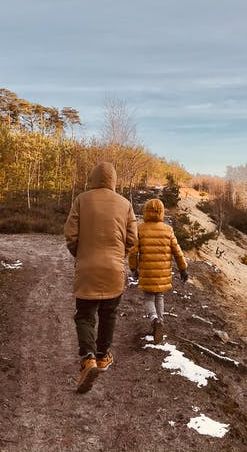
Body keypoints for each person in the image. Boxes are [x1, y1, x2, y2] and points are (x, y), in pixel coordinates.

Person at [64, 162, 137, 393]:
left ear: (93, 178)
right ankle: (103, 356)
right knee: (109, 314)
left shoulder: (81, 200)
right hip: (115, 270)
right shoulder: (125, 204)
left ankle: (88, 359)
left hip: (87, 268)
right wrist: (119, 256)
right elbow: (132, 239)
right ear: (114, 180)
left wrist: (81, 254)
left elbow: (71, 235)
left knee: (85, 315)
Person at [128, 198, 188, 344]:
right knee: (159, 296)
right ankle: (159, 322)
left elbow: (133, 252)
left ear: (145, 211)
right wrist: (183, 269)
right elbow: (177, 251)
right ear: (161, 212)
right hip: (162, 272)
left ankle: (154, 319)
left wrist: (133, 268)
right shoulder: (168, 230)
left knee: (148, 298)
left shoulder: (140, 229)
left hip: (147, 271)